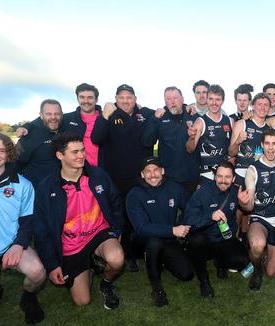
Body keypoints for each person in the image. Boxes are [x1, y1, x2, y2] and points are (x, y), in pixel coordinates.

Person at [34, 132, 124, 310]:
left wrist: (117, 230)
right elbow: (41, 230)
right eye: (75, 152)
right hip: (71, 245)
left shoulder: (97, 175)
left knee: (117, 259)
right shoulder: (47, 187)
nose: (81, 155)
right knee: (82, 301)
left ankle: (105, 282)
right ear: (60, 155)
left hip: (99, 232)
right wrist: (52, 265)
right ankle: (89, 268)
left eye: (82, 150)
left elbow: (116, 203)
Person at [0, 133, 46, 326]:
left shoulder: (22, 184)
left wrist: (18, 245)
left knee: (37, 271)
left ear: (9, 154)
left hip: (8, 245)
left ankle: (29, 297)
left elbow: (28, 220)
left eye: (1, 151)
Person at [91, 84, 153, 272]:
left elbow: (162, 112)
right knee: (120, 216)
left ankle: (138, 251)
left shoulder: (143, 114)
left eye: (130, 97)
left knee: (139, 214)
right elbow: (96, 138)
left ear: (135, 99)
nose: (126, 101)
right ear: (116, 99)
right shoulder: (110, 115)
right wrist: (104, 116)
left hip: (138, 176)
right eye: (122, 97)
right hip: (116, 177)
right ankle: (124, 252)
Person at [126, 157, 194, 307]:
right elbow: (142, 228)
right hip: (143, 241)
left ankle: (161, 259)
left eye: (156, 170)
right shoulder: (134, 195)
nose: (153, 175)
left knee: (186, 274)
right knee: (154, 243)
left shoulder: (174, 188)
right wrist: (173, 230)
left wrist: (183, 224)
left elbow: (190, 209)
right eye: (148, 171)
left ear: (162, 171)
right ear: (142, 174)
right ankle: (157, 289)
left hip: (168, 239)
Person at [183, 162, 250, 297]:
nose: (223, 181)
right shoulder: (202, 192)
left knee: (242, 261)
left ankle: (220, 263)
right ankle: (204, 281)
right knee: (196, 240)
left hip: (224, 239)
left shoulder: (236, 192)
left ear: (233, 178)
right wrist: (210, 216)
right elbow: (188, 220)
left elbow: (249, 210)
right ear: (214, 177)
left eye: (227, 177)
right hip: (205, 240)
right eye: (219, 176)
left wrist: (244, 203)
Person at [238, 130, 275, 290]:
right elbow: (249, 207)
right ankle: (256, 269)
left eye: (274, 144)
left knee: (273, 273)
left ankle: (265, 256)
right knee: (257, 245)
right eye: (267, 143)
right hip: (260, 218)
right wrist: (244, 203)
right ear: (262, 145)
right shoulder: (253, 170)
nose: (270, 148)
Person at [16, 83, 104, 167]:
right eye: (82, 97)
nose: (86, 101)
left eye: (90, 97)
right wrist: (26, 127)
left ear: (96, 99)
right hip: (79, 168)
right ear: (77, 99)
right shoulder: (68, 118)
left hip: (102, 167)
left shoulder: (105, 118)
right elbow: (46, 119)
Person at [143, 86, 200, 195]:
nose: (172, 102)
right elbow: (147, 142)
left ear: (182, 99)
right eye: (168, 99)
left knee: (190, 209)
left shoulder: (193, 115)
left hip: (191, 175)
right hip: (169, 177)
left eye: (175, 98)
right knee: (169, 210)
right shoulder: (159, 117)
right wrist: (154, 120)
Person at [188, 85, 233, 186]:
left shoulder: (230, 121)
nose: (214, 103)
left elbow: (233, 150)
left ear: (222, 101)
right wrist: (191, 138)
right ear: (207, 100)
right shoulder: (200, 122)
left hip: (224, 173)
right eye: (211, 99)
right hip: (206, 173)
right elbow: (190, 149)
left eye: (218, 99)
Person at [16, 99, 63, 186]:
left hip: (62, 188)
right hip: (38, 190)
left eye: (57, 114)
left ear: (61, 114)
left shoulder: (66, 127)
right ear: (41, 115)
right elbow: (16, 163)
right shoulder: (29, 136)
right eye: (48, 114)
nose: (53, 117)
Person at [229, 93, 272, 186]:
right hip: (241, 173)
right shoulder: (241, 124)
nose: (263, 108)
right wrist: (238, 142)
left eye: (266, 105)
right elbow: (231, 153)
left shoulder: (270, 130)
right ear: (253, 106)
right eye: (259, 104)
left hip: (260, 174)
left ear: (269, 108)